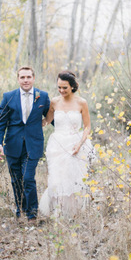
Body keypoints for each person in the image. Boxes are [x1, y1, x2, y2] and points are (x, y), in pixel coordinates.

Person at [0, 66, 51, 221]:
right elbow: (0, 124)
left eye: (28, 77)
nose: (25, 80)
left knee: (28, 178)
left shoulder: (43, 96)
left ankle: (32, 214)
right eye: (22, 77)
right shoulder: (9, 97)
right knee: (16, 180)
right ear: (18, 79)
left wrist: (68, 131)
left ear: (33, 78)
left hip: (33, 145)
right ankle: (21, 210)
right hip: (12, 145)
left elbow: (51, 118)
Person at [38, 71, 92, 218]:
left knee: (72, 179)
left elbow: (87, 127)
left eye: (65, 88)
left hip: (75, 145)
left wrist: (80, 144)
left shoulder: (82, 103)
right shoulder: (54, 102)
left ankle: (73, 212)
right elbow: (46, 121)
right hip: (57, 145)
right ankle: (57, 211)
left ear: (73, 87)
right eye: (59, 87)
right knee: (56, 178)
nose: (61, 91)